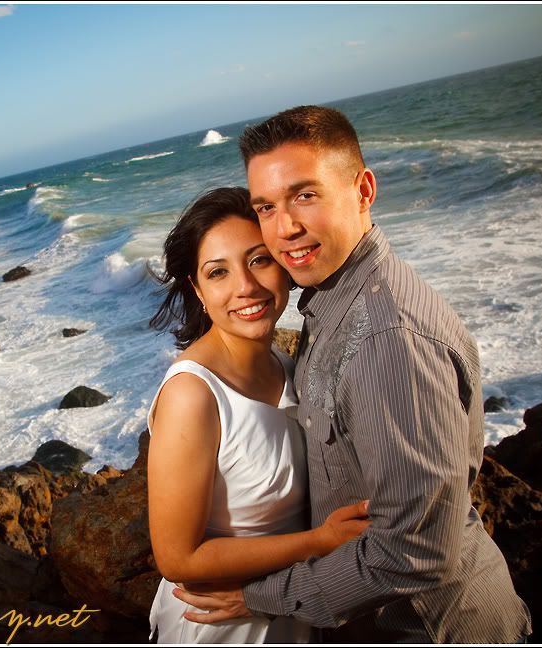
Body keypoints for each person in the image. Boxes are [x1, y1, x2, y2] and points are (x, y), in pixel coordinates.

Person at [170, 106, 533, 643]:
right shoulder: (332, 304)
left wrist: (258, 596)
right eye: (266, 207)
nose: (285, 228)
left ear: (363, 189)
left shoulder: (388, 342)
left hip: (432, 629)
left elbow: (412, 552)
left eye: (305, 195)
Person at [146, 187, 371, 643]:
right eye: (218, 272)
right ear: (198, 289)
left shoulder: (290, 365)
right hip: (222, 625)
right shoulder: (193, 393)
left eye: (259, 260)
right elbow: (176, 559)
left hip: (290, 609)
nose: (245, 288)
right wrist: (317, 543)